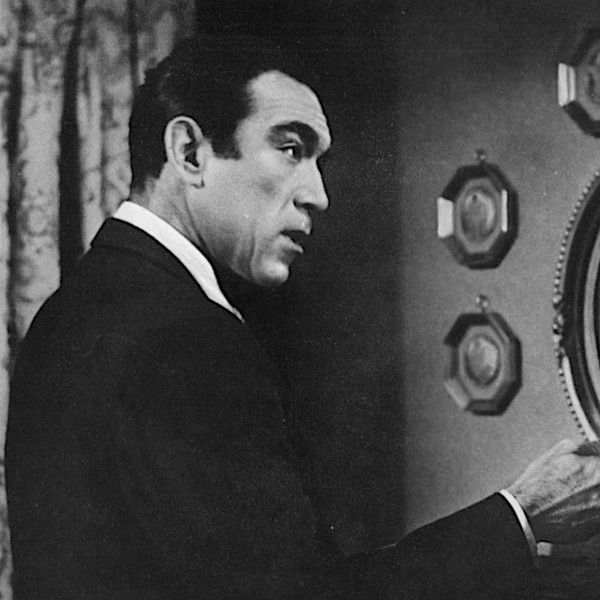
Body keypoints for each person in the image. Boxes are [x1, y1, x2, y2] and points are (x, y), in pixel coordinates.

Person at [5, 33, 600, 600]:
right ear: (190, 153)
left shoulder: (66, 316)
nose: (318, 194)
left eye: (317, 160)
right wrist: (519, 518)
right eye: (291, 149)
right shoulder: (184, 335)